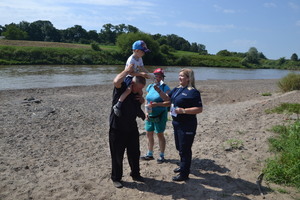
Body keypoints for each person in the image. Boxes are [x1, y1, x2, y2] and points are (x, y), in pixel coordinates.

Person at [109, 64, 147, 188]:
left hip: (131, 128)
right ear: (132, 83)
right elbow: (116, 81)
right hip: (117, 128)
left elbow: (136, 108)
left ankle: (135, 174)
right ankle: (116, 178)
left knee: (135, 153)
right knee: (117, 155)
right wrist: (127, 71)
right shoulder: (122, 88)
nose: (138, 91)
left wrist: (143, 111)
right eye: (137, 88)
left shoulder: (136, 93)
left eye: (141, 89)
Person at [167, 68, 203, 181]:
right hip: (176, 123)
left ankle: (184, 174)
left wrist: (183, 111)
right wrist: (158, 90)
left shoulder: (193, 92)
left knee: (185, 149)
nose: (179, 77)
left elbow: (199, 109)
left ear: (188, 78)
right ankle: (183, 166)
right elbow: (168, 99)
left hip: (187, 124)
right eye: (179, 75)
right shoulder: (177, 89)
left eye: (182, 76)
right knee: (179, 147)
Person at [113, 40, 153, 118]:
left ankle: (137, 108)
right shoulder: (131, 60)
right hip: (129, 77)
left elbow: (142, 67)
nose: (144, 53)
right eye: (143, 51)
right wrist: (141, 74)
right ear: (136, 50)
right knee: (128, 90)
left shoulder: (140, 58)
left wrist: (149, 74)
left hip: (135, 76)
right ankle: (118, 104)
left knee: (140, 93)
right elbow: (130, 73)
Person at [140, 68, 171, 164]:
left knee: (159, 134)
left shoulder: (165, 87)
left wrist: (157, 105)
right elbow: (147, 100)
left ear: (162, 78)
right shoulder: (149, 86)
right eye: (155, 76)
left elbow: (168, 102)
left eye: (159, 76)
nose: (157, 77)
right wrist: (146, 112)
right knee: (149, 133)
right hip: (150, 114)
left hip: (161, 114)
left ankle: (161, 155)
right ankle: (150, 153)